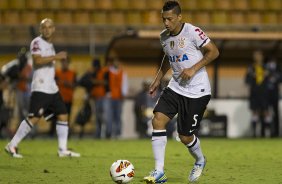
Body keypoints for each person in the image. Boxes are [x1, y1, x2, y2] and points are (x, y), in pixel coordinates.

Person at [143, 1, 219, 183]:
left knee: (185, 137)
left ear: (179, 17)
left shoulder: (192, 32)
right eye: (163, 19)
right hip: (175, 87)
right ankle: (159, 171)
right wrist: (157, 79)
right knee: (158, 120)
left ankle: (200, 160)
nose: (166, 23)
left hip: (197, 91)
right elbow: (169, 58)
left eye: (169, 19)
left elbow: (214, 52)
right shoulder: (164, 37)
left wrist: (193, 69)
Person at [4, 18, 80, 158]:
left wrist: (54, 57)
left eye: (50, 27)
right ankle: (12, 145)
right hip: (41, 87)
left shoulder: (50, 45)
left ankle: (62, 150)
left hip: (52, 88)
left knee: (63, 115)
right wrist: (56, 57)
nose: (47, 29)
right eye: (44, 27)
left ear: (54, 29)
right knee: (34, 118)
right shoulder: (37, 42)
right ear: (40, 29)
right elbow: (37, 61)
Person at [245, 50, 272, 137]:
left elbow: (273, 78)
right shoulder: (251, 67)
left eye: (258, 55)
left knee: (266, 111)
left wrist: (268, 75)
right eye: (255, 55)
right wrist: (252, 76)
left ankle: (268, 132)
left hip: (265, 93)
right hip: (254, 92)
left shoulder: (266, 67)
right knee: (255, 111)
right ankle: (254, 133)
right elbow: (247, 80)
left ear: (262, 56)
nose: (257, 57)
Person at [49, 56, 77, 137]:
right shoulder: (57, 73)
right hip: (58, 99)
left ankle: (65, 135)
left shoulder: (72, 73)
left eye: (66, 62)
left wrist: (66, 83)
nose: (64, 64)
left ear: (68, 63)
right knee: (55, 118)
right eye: (63, 62)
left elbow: (75, 85)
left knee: (66, 118)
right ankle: (52, 134)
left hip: (68, 99)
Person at [105, 58, 128, 139]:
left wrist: (124, 94)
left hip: (118, 97)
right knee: (109, 116)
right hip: (110, 97)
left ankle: (117, 133)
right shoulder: (108, 72)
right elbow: (105, 82)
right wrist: (107, 92)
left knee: (118, 116)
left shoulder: (122, 73)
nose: (116, 63)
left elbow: (124, 84)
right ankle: (109, 133)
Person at [90, 58, 109, 138]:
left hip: (104, 97)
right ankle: (98, 134)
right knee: (97, 117)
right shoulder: (93, 72)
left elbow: (106, 82)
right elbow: (91, 82)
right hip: (96, 97)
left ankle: (106, 134)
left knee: (105, 117)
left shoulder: (104, 71)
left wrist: (96, 81)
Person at [265, 56, 281, 137]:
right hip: (266, 94)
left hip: (274, 95)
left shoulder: (278, 69)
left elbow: (280, 78)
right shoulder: (265, 69)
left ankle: (276, 132)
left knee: (275, 114)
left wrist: (275, 77)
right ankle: (266, 132)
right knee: (266, 113)